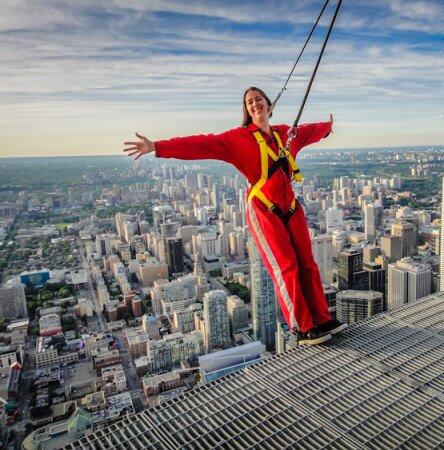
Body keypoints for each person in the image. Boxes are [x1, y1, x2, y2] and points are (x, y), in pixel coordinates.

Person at [123, 87, 347, 345]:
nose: (255, 104)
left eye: (259, 99)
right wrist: (157, 146)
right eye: (250, 102)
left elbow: (308, 132)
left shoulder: (286, 133)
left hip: (291, 206)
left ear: (269, 104)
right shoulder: (238, 139)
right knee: (287, 266)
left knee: (308, 263)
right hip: (264, 209)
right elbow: (201, 143)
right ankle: (302, 327)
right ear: (246, 110)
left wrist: (327, 127)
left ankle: (322, 319)